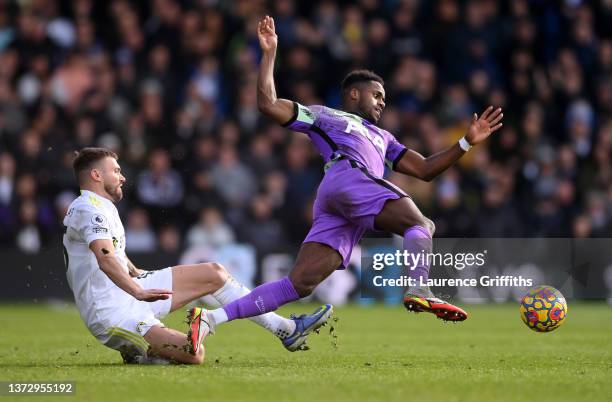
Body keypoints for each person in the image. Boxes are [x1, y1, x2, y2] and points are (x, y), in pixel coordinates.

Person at [188, 16, 503, 343]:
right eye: (377, 95)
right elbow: (268, 104)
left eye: (384, 97)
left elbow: (424, 169)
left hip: (342, 202)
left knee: (299, 283)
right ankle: (419, 287)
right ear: (353, 94)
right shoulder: (326, 115)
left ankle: (210, 318)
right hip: (348, 178)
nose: (383, 101)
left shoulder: (385, 138)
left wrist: (465, 143)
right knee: (421, 224)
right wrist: (269, 53)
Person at [63, 148, 333, 365]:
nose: (122, 177)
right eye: (116, 171)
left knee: (213, 272)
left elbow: (114, 252)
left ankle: (286, 329)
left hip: (133, 290)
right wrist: (136, 290)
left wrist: (135, 272)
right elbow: (105, 257)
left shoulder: (101, 207)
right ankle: (140, 351)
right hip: (112, 313)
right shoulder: (88, 208)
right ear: (96, 175)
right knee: (195, 353)